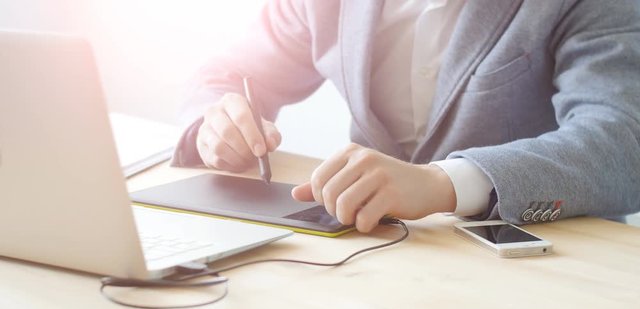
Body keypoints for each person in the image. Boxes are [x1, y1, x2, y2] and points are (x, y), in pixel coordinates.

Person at [172, 0, 640, 233]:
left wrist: (444, 183)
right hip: (370, 259)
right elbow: (228, 72)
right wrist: (215, 123)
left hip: (550, 278)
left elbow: (624, 140)